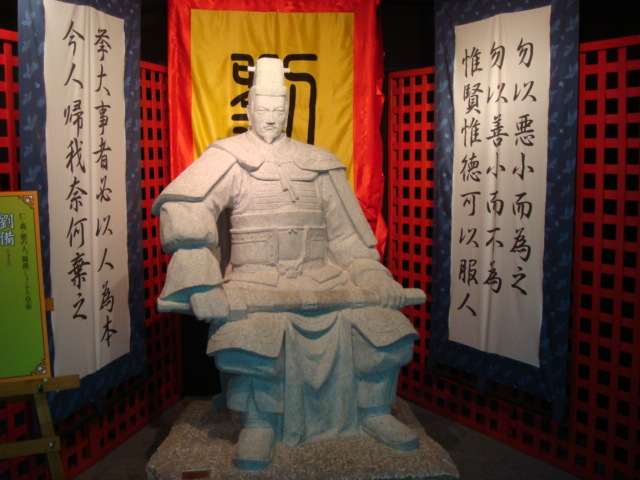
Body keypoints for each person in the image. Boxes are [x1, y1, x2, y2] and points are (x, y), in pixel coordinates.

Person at [152, 57, 421, 470]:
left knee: (382, 327)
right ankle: (259, 423)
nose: (271, 117)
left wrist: (373, 276)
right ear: (249, 108)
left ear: (288, 110)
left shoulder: (319, 162)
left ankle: (373, 412)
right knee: (254, 338)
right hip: (255, 284)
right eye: (263, 109)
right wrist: (203, 284)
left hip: (325, 281)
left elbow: (346, 237)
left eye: (279, 109)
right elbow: (185, 209)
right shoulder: (230, 157)